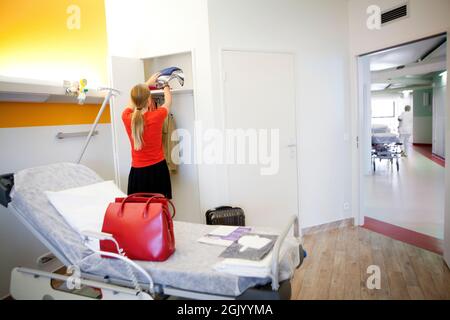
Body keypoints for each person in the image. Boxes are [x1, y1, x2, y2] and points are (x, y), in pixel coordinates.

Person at [122, 73, 173, 198]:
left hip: (137, 174)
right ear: (149, 100)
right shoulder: (157, 116)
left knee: (140, 211)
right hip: (158, 170)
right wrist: (165, 85)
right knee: (160, 209)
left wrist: (147, 83)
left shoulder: (126, 117)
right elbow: (168, 101)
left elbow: (133, 101)